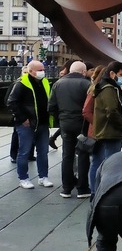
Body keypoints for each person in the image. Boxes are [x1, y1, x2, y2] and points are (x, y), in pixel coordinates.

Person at [6, 60, 53, 189]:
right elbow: (11, 102)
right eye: (39, 70)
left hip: (43, 122)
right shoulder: (21, 84)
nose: (42, 72)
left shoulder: (44, 82)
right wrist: (22, 118)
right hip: (27, 123)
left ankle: (43, 177)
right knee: (24, 151)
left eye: (43, 69)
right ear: (31, 71)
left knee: (43, 151)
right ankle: (23, 178)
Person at [48, 60, 91, 198]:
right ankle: (82, 189)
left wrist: (61, 119)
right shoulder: (87, 84)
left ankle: (66, 188)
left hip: (65, 124)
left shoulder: (58, 84)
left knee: (67, 155)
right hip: (82, 125)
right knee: (83, 155)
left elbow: (51, 107)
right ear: (83, 72)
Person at [86, 62, 122, 194]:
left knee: (97, 162)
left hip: (101, 131)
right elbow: (111, 110)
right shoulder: (109, 88)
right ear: (112, 74)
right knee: (111, 164)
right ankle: (106, 191)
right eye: (121, 75)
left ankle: (95, 190)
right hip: (110, 132)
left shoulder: (101, 86)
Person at [49, 59, 75, 150]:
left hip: (62, 110)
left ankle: (53, 138)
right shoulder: (67, 77)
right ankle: (53, 138)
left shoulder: (62, 75)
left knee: (65, 126)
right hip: (66, 108)